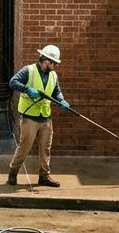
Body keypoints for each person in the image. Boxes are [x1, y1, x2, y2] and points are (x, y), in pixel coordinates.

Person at [6, 45, 73, 188]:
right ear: (43, 59)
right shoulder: (28, 70)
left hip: (46, 117)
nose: (53, 66)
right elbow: (13, 82)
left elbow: (56, 91)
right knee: (24, 147)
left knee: (45, 148)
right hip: (29, 117)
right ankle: (13, 172)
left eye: (55, 64)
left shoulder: (53, 75)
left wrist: (61, 100)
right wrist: (27, 89)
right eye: (52, 63)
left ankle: (44, 176)